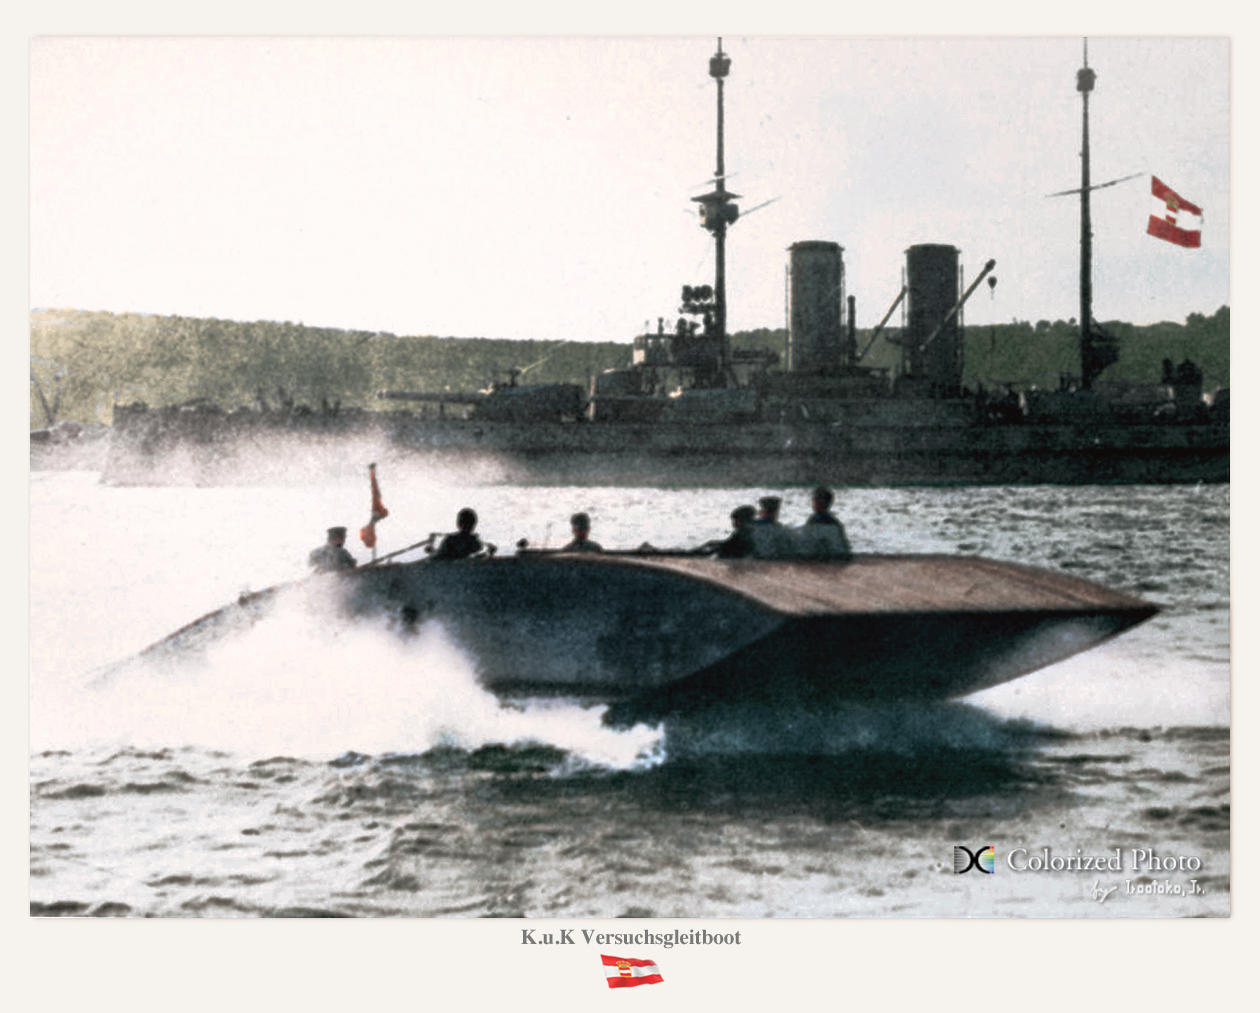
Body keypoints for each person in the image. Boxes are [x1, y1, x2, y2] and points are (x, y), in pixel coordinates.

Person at [796, 485, 853, 560]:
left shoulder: (813, 521)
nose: (813, 504)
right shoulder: (835, 523)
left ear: (818, 502)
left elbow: (805, 546)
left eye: (814, 501)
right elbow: (845, 547)